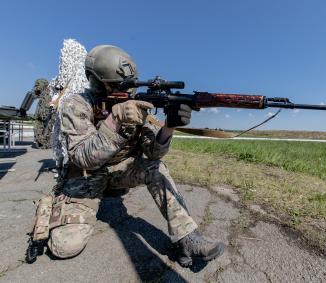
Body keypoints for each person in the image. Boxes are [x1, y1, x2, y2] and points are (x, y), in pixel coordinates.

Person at [45, 45, 224, 267]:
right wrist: (114, 122)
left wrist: (169, 127)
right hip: (86, 178)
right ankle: (58, 206)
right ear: (97, 81)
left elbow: (153, 153)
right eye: (120, 86)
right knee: (65, 246)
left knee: (156, 168)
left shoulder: (135, 104)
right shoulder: (77, 104)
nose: (129, 92)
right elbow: (83, 158)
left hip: (120, 174)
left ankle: (188, 238)